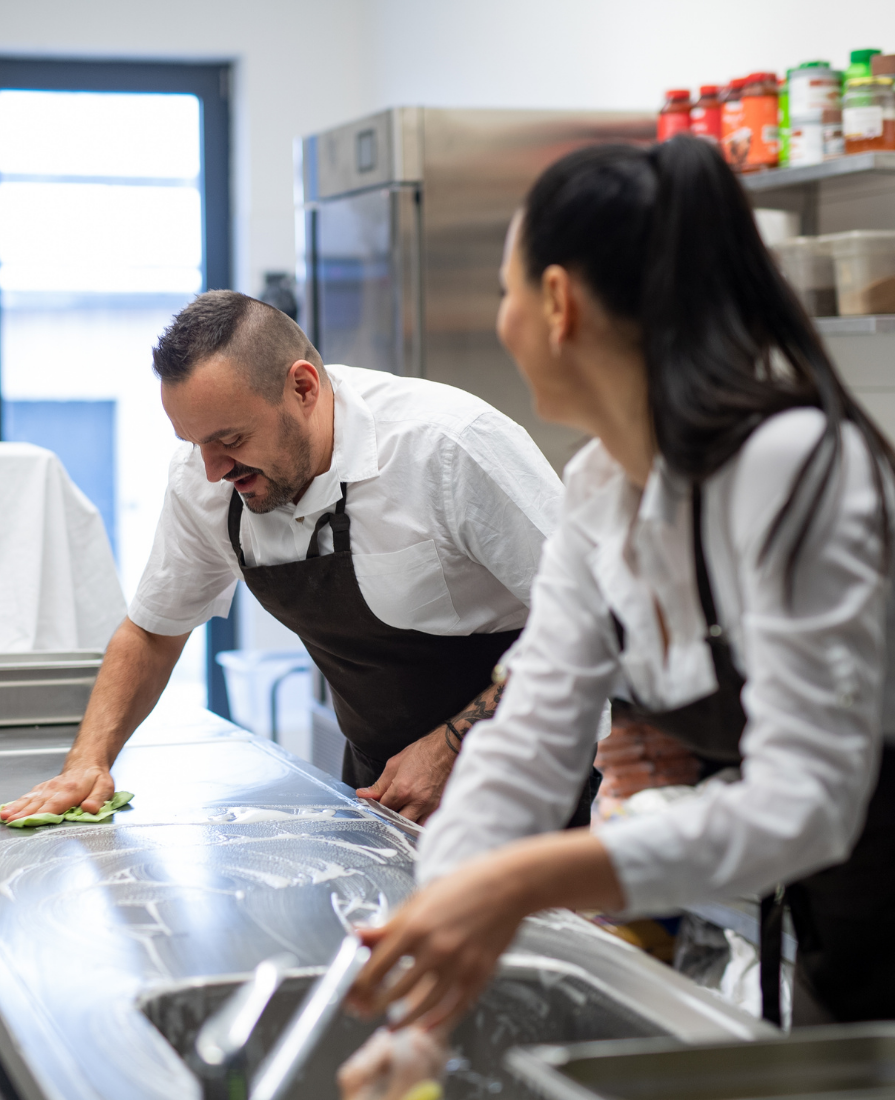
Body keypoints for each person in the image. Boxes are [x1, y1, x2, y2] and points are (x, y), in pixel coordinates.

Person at [341, 134, 895, 1098]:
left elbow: (806, 801)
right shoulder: (602, 488)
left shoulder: (796, 464)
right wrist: (423, 1011)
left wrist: (518, 882)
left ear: (557, 304)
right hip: (836, 931)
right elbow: (529, 740)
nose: (503, 317)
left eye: (508, 291)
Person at [0, 289, 575, 826]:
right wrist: (88, 761)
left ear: (303, 389)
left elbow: (591, 621)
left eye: (230, 440)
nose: (213, 470)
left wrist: (454, 746)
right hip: (385, 788)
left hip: (532, 773)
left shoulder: (447, 447)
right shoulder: (207, 482)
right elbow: (153, 632)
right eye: (195, 444)